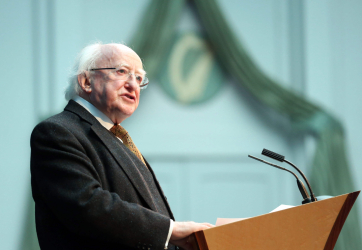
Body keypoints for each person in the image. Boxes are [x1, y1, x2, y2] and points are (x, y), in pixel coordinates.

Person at [30, 42, 213, 250]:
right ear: (87, 81)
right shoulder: (58, 131)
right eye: (122, 72)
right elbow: (86, 204)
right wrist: (170, 231)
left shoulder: (115, 135)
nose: (133, 85)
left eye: (138, 78)